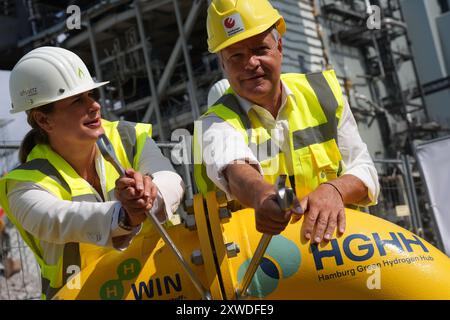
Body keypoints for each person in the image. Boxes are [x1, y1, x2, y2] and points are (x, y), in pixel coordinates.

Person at [0, 46, 184, 299]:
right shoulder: (24, 185)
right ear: (44, 120)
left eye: (91, 94)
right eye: (78, 100)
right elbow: (57, 219)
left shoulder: (127, 137)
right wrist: (124, 215)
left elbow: (170, 179)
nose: (95, 105)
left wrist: (152, 192)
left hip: (165, 286)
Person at [194, 0, 379, 243]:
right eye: (236, 56)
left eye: (260, 49)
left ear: (279, 46)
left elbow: (364, 171)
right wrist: (261, 195)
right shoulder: (214, 123)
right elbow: (235, 169)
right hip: (263, 268)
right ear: (223, 64)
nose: (250, 64)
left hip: (342, 256)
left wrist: (334, 190)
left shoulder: (323, 95)